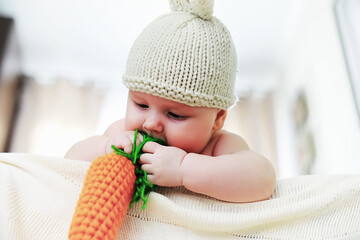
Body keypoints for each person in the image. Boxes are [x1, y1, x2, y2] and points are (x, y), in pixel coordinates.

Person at [65, 0, 276, 203]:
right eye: (141, 105)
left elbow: (263, 179)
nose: (150, 124)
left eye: (175, 114)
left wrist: (184, 169)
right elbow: (67, 164)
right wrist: (106, 149)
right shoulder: (122, 135)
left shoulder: (218, 146)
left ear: (217, 119)